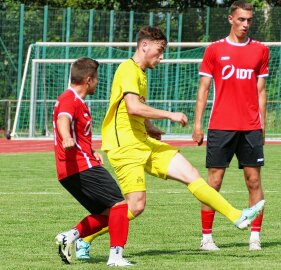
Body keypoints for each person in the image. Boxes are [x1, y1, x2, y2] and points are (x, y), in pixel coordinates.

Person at [74, 26, 265, 259]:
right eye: (160, 50)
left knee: (191, 174)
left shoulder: (141, 73)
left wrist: (150, 127)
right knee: (134, 207)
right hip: (124, 147)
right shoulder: (127, 69)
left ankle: (237, 215)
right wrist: (170, 115)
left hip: (142, 142)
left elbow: (130, 111)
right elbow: (132, 107)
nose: (162, 57)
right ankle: (84, 237)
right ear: (144, 46)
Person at [192, 0, 269, 251]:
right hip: (220, 125)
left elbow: (261, 91)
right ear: (230, 19)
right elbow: (203, 90)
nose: (245, 24)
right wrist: (197, 124)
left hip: (250, 127)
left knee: (254, 181)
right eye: (241, 19)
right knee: (213, 183)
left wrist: (262, 125)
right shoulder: (214, 50)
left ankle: (255, 236)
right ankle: (206, 238)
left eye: (249, 20)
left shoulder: (260, 50)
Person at [52, 57, 131, 267]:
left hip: (72, 168)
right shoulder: (70, 98)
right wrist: (66, 136)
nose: (97, 82)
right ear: (88, 79)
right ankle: (115, 257)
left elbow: (77, 132)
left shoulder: (75, 100)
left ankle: (69, 236)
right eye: (96, 79)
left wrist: (92, 151)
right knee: (121, 206)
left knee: (106, 215)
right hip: (81, 166)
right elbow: (63, 119)